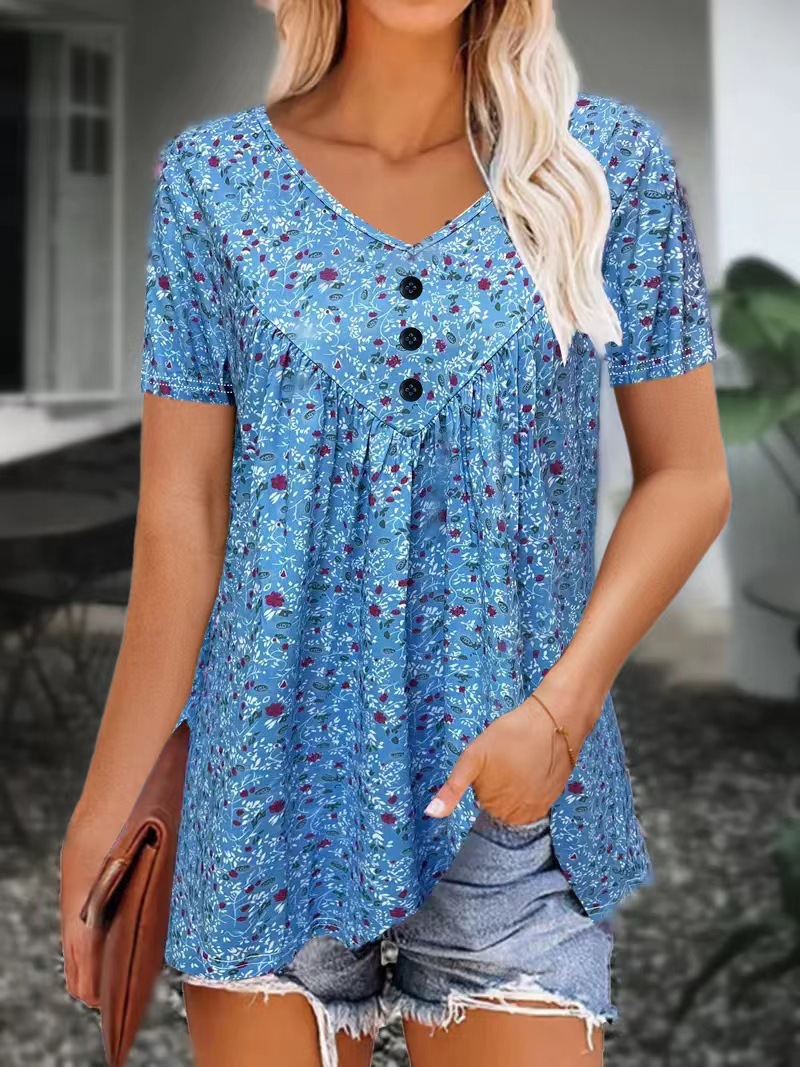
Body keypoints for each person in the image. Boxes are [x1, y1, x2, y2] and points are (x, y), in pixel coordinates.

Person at [59, 1, 732, 1065]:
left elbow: (688, 477)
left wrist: (559, 716)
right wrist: (103, 810)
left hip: (513, 813)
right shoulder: (212, 182)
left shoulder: (604, 167)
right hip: (261, 798)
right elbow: (182, 518)